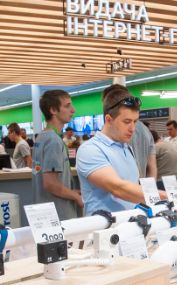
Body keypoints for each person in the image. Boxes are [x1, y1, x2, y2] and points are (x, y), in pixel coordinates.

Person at [77, 90, 165, 214]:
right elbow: (118, 189)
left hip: (133, 221)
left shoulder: (127, 148)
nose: (133, 129)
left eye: (135, 121)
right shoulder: (90, 149)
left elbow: (136, 182)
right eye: (127, 122)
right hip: (107, 224)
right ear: (108, 120)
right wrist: (164, 196)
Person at [33, 89, 84, 220]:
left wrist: (70, 191)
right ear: (53, 110)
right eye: (67, 106)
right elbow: (50, 183)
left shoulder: (42, 136)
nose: (73, 110)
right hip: (58, 215)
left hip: (45, 213)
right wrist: (75, 196)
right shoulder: (53, 140)